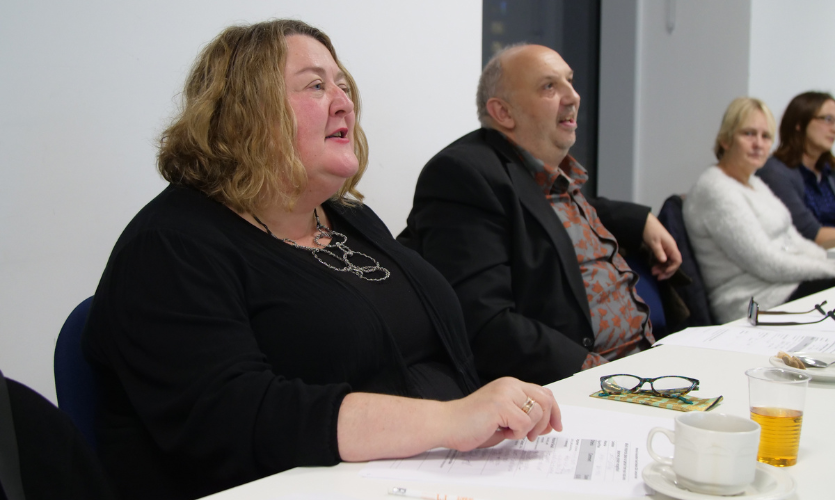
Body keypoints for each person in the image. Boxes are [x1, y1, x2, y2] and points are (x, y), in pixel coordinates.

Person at [81, 20, 561, 500]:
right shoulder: (169, 246)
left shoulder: (345, 217)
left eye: (344, 85)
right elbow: (238, 418)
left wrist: (487, 412)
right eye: (315, 85)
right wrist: (449, 420)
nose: (344, 101)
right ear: (244, 112)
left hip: (435, 475)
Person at [397, 44, 682, 386]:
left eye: (570, 81)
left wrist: (640, 219)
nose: (573, 96)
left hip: (649, 363)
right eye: (549, 86)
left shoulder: (554, 179)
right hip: (583, 385)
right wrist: (598, 376)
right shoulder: (464, 175)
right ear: (503, 112)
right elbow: (485, 324)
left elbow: (554, 213)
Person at [683, 97, 835, 324]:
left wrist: (826, 263)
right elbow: (767, 262)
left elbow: (795, 240)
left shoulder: (754, 183)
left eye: (765, 137)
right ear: (726, 139)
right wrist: (829, 270)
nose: (759, 144)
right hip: (751, 303)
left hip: (782, 287)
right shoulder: (715, 189)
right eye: (748, 134)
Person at [757, 91, 835, 247]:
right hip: (803, 262)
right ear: (799, 123)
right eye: (828, 120)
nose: (834, 128)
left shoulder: (829, 171)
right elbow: (810, 233)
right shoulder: (775, 173)